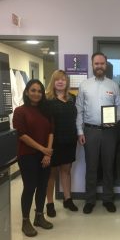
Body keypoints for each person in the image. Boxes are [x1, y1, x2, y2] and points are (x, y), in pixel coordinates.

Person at [76, 52, 120, 214]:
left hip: (110, 132)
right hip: (90, 131)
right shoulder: (84, 85)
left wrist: (113, 120)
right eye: (97, 63)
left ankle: (108, 199)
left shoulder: (114, 85)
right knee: (91, 167)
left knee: (109, 166)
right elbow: (79, 110)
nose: (99, 66)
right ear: (92, 65)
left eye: (102, 63)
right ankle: (90, 199)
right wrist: (80, 131)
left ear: (106, 65)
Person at [13, 79, 54, 237]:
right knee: (30, 187)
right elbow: (22, 135)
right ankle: (25, 221)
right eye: (33, 90)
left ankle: (39, 216)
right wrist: (43, 149)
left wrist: (47, 152)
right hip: (27, 155)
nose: (36, 93)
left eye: (39, 91)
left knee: (43, 186)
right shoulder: (20, 111)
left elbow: (51, 131)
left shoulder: (46, 110)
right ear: (27, 92)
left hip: (45, 155)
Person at [45, 70, 78, 217]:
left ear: (67, 82)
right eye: (57, 79)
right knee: (51, 173)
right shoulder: (47, 100)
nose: (60, 82)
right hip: (53, 142)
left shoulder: (72, 98)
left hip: (70, 140)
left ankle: (67, 198)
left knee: (66, 170)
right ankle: (50, 203)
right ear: (53, 81)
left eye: (63, 80)